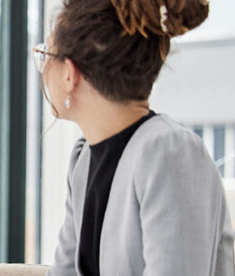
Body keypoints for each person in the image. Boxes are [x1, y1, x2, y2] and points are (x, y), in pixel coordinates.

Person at [36, 0, 234, 275]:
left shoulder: (171, 153)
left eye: (45, 54)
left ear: (70, 74)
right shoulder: (83, 159)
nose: (42, 68)